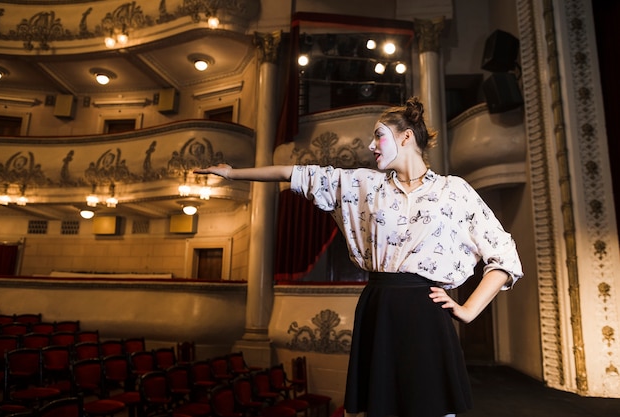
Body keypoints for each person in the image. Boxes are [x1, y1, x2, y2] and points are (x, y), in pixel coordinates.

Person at [194, 96, 523, 417]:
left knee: (431, 405)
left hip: (426, 310)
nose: (371, 145)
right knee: (380, 406)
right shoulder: (365, 185)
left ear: (406, 137)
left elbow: (503, 254)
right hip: (378, 306)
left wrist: (468, 310)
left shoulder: (454, 191)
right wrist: (233, 173)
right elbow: (297, 173)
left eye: (379, 135)